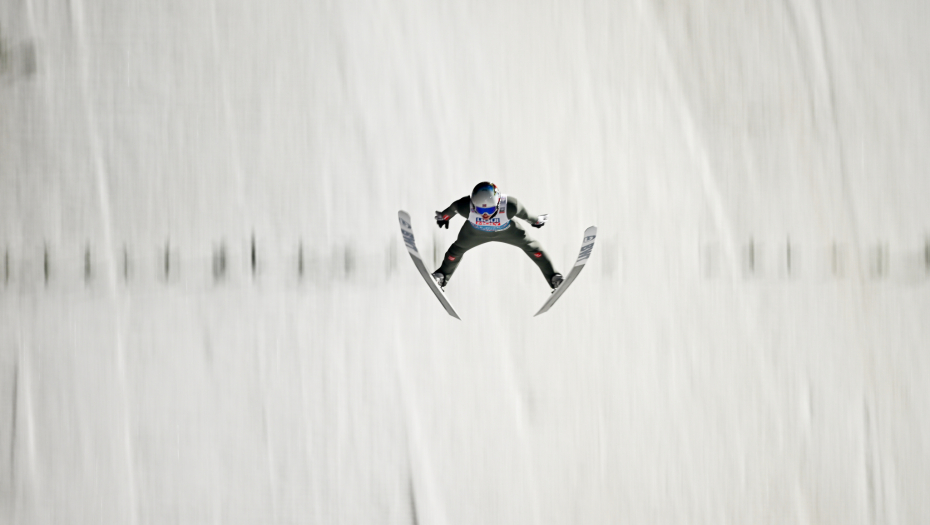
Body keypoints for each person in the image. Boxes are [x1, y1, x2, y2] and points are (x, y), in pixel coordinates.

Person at [431, 182, 563, 292]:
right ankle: (442, 275)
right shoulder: (464, 206)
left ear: (499, 203)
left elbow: (526, 215)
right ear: (472, 204)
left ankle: (554, 277)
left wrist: (536, 220)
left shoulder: (510, 206)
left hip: (506, 233)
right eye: (480, 210)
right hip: (476, 234)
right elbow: (453, 208)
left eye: (489, 209)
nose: (485, 214)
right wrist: (444, 216)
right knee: (455, 251)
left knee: (533, 247)